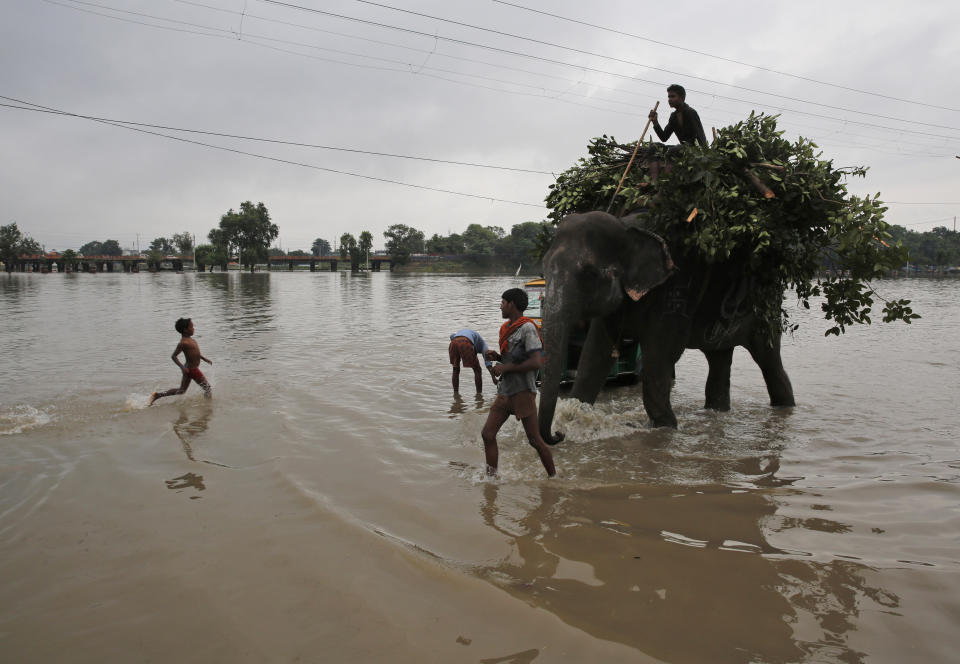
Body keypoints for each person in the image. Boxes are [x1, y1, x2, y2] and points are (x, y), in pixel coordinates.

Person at [481, 289, 556, 478]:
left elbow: (536, 362)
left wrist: (504, 368)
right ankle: (492, 480)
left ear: (512, 304)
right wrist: (498, 357)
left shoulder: (528, 328)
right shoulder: (506, 328)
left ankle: (554, 478)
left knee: (534, 440)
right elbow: (512, 359)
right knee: (487, 434)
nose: (501, 306)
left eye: (503, 302)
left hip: (523, 392)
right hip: (505, 392)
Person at [149, 317, 212, 405]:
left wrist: (205, 359)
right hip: (192, 370)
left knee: (181, 390)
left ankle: (157, 395)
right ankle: (208, 406)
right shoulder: (183, 343)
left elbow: (195, 353)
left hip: (188, 369)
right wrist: (182, 367)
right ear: (185, 330)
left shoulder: (192, 340)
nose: (193, 328)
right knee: (207, 388)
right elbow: (174, 356)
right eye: (192, 327)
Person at [449, 328, 497, 394]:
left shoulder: (463, 333)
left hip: (453, 342)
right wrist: (493, 377)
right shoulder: (483, 344)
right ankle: (479, 394)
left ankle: (456, 394)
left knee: (455, 369)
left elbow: (452, 336)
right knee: (477, 370)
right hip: (465, 341)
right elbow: (487, 361)